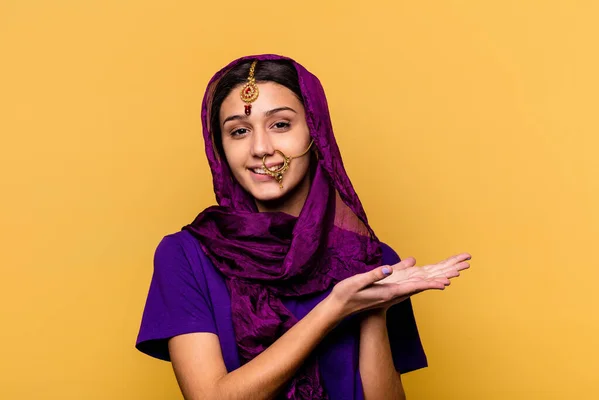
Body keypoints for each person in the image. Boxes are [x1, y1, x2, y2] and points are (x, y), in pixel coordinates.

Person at [136, 54, 471, 400]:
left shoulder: (373, 259)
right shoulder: (186, 256)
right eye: (239, 131)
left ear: (316, 132)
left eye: (281, 125)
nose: (261, 149)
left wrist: (375, 308)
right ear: (220, 148)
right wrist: (333, 308)